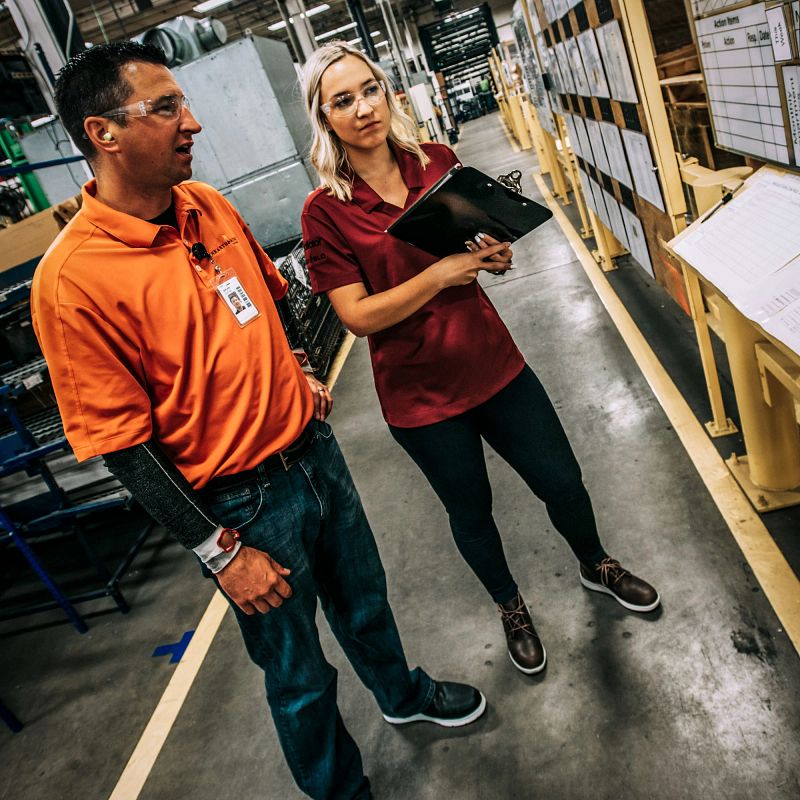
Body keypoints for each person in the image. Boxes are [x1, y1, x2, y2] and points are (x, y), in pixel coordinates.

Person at [31, 42, 485, 800]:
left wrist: (303, 367)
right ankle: (341, 790)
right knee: (297, 671)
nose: (193, 122)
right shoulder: (72, 282)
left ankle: (402, 696)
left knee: (364, 601)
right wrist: (218, 550)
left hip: (314, 452)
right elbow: (126, 451)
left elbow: (273, 295)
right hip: (241, 508)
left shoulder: (204, 205)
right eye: (168, 107)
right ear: (102, 133)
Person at [299, 42, 660, 679]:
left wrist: (491, 253)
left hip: (494, 366)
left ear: (388, 93)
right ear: (324, 118)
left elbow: (472, 245)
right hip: (421, 400)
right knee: (471, 512)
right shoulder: (325, 211)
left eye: (369, 90)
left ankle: (595, 562)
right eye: (343, 100)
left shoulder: (435, 162)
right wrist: (440, 275)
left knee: (562, 480)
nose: (363, 109)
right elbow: (356, 315)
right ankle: (511, 607)